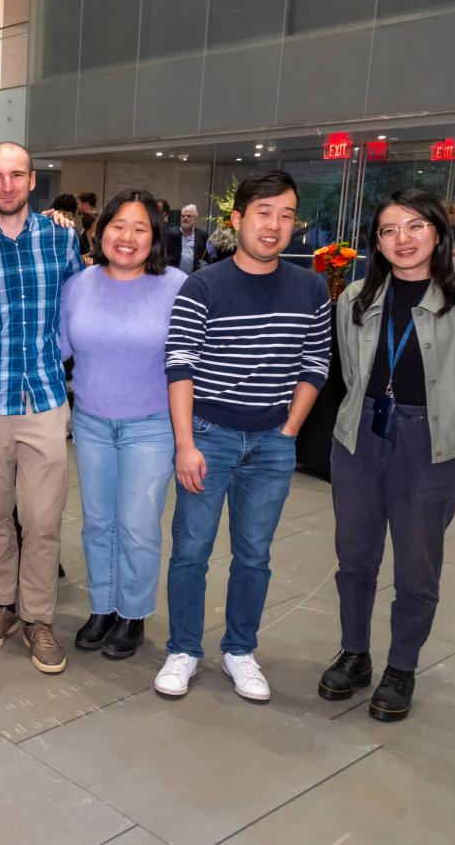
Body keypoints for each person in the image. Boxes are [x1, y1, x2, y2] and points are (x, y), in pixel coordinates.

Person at [316, 189, 455, 722]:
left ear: (438, 233)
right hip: (360, 437)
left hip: (429, 443)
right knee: (354, 559)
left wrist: (434, 420)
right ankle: (355, 653)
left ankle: (401, 666)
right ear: (377, 242)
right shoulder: (355, 298)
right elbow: (350, 373)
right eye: (390, 230)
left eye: (416, 226)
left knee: (418, 568)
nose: (403, 239)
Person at [156, 170, 330, 702]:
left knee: (254, 553)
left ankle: (240, 650)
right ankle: (183, 649)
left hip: (272, 443)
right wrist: (186, 444)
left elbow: (315, 363)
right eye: (263, 212)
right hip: (209, 436)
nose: (274, 225)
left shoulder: (311, 286)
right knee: (191, 550)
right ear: (238, 220)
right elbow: (180, 364)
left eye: (285, 214)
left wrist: (291, 427)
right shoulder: (204, 284)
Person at [0, 141, 83, 675]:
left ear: (31, 181)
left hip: (45, 396)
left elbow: (80, 307)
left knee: (44, 519)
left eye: (16, 175)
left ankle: (38, 616)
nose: (6, 185)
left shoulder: (61, 238)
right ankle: (3, 605)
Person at [61, 190, 186, 660]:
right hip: (91, 423)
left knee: (137, 524)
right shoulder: (79, 285)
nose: (127, 237)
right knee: (97, 523)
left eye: (140, 228)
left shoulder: (176, 286)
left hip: (151, 426)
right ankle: (102, 606)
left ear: (155, 236)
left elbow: (189, 363)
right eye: (118, 226)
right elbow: (57, 350)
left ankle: (132, 613)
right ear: (100, 230)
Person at [165, 203, 209, 274]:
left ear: (195, 219)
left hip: (194, 277)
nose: (185, 218)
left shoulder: (202, 236)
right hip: (174, 276)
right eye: (183, 216)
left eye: (189, 216)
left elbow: (206, 257)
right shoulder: (170, 234)